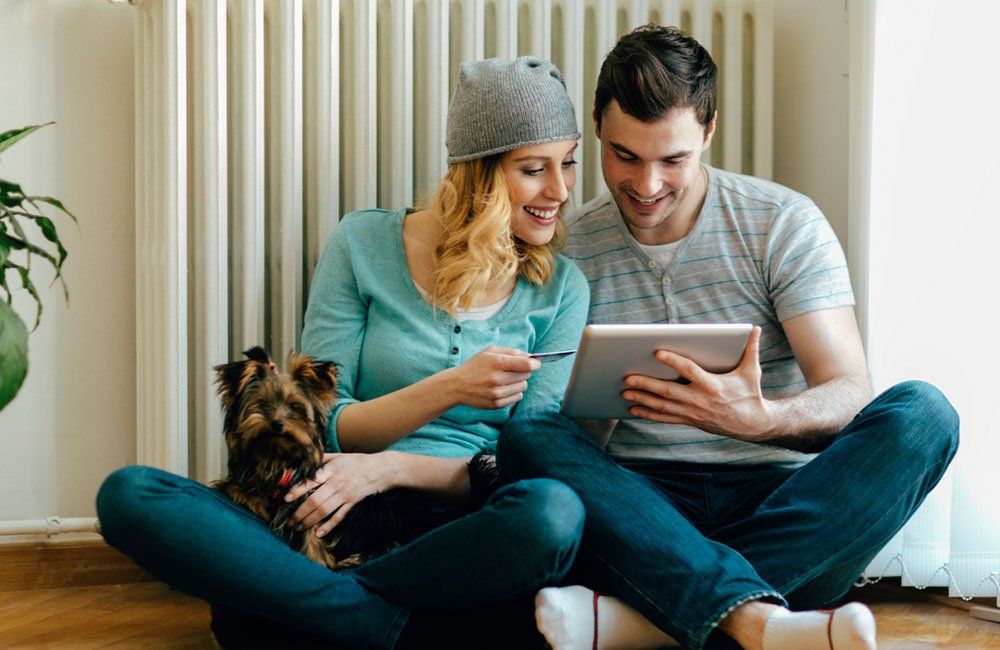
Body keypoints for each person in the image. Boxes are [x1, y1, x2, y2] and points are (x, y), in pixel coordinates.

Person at [96, 56, 590, 649]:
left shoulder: (562, 288)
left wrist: (388, 469)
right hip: (325, 510)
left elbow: (529, 460)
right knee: (130, 495)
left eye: (568, 165)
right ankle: (387, 624)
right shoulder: (362, 242)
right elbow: (326, 418)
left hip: (463, 525)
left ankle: (307, 608)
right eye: (534, 169)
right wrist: (450, 387)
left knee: (553, 513)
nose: (559, 192)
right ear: (477, 172)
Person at [497, 26, 960, 650]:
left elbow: (850, 393)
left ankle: (648, 620)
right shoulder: (568, 248)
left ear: (708, 133)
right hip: (642, 512)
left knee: (924, 414)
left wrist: (760, 419)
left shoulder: (781, 224)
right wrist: (596, 415)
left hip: (783, 503)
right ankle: (756, 618)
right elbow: (559, 443)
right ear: (599, 134)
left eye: (673, 160)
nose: (647, 184)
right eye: (624, 156)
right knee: (529, 436)